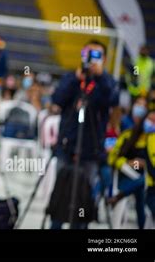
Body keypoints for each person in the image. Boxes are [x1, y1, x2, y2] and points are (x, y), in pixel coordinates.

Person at [49, 40, 119, 229]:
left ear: (104, 59)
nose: (92, 60)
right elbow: (57, 99)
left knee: (84, 198)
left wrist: (100, 76)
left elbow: (112, 99)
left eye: (97, 56)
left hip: (91, 149)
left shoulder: (107, 81)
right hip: (67, 145)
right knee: (60, 193)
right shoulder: (72, 77)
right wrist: (76, 78)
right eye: (89, 54)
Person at [107, 96, 148, 229]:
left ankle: (119, 196)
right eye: (138, 105)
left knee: (141, 197)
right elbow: (113, 158)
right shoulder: (126, 131)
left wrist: (145, 165)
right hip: (126, 175)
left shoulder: (150, 137)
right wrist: (131, 163)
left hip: (144, 179)